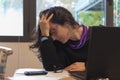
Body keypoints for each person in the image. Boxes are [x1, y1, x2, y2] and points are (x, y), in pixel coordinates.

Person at [30, 6, 90, 73]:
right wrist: (45, 35)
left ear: (67, 23)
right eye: (49, 34)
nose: (53, 38)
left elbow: (103, 63)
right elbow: (51, 67)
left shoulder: (97, 35)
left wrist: (87, 66)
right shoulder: (57, 43)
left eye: (53, 31)